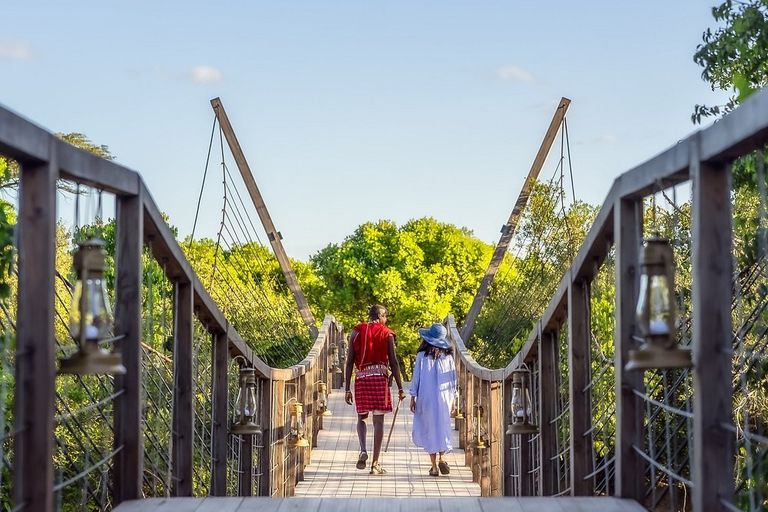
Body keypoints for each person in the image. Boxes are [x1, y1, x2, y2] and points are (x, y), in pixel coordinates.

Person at [344, 304, 405, 475]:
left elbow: (349, 361)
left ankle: (363, 449)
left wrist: (347, 388)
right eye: (385, 317)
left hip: (362, 379)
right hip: (380, 380)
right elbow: (393, 362)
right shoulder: (387, 334)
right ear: (380, 316)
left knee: (362, 417)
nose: (386, 321)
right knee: (378, 422)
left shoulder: (356, 332)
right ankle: (375, 464)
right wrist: (400, 387)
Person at [409, 322, 457, 477]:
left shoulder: (421, 356)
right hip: (444, 397)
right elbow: (452, 380)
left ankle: (434, 467)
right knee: (442, 426)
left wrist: (413, 396)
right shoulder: (448, 357)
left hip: (426, 397)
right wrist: (454, 400)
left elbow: (416, 378)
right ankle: (443, 457)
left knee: (429, 428)